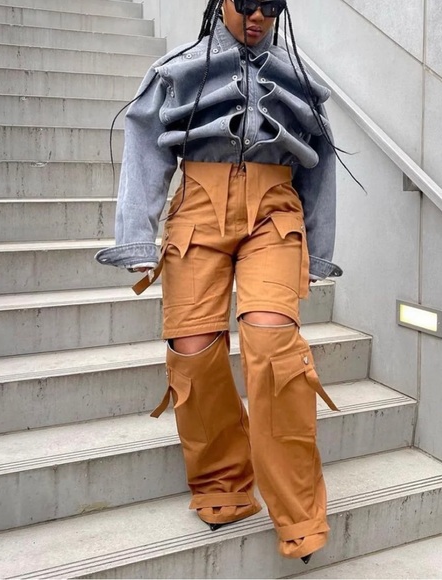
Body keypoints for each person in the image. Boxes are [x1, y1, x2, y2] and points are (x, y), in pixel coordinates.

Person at [95, 0, 344, 563]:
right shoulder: (177, 69)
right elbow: (143, 143)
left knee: (272, 342)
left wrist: (319, 249)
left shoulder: (298, 77)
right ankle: (223, 483)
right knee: (192, 347)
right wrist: (136, 235)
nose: (257, 15)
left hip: (275, 210)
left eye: (270, 4)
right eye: (245, 2)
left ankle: (299, 511)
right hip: (198, 207)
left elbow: (321, 161)